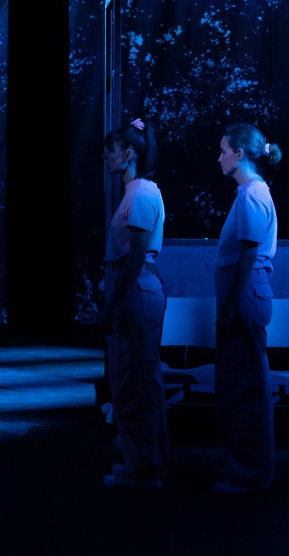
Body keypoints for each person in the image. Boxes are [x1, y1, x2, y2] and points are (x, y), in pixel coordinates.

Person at [212, 123, 281, 493]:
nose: (220, 157)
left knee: (245, 386)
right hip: (243, 294)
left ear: (239, 154)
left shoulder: (252, 194)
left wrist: (227, 307)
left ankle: (250, 473)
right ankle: (246, 470)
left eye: (224, 150)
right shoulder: (250, 193)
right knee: (240, 382)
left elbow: (248, 254)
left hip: (244, 295)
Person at [100, 118, 168, 489]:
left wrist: (113, 304)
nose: (106, 156)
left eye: (111, 150)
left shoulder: (141, 194)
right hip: (136, 289)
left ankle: (142, 468)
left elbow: (137, 255)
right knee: (140, 381)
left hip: (136, 291)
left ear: (128, 154)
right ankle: (147, 461)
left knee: (132, 383)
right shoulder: (135, 192)